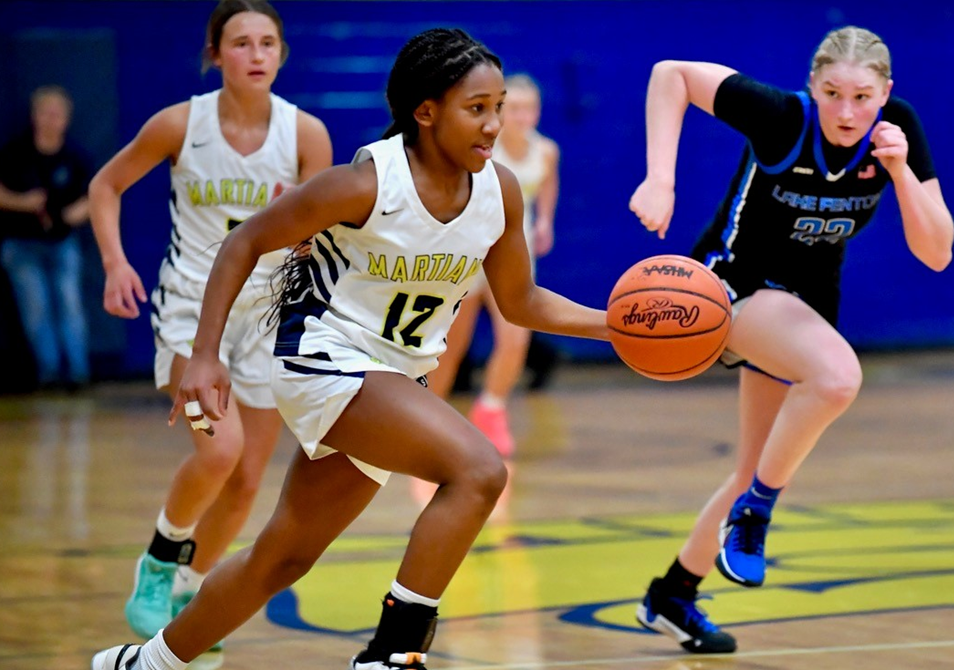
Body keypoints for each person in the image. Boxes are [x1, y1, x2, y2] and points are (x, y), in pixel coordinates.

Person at [91, 27, 608, 670]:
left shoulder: (498, 189)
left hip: (393, 374)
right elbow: (245, 243)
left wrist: (615, 326)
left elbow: (522, 301)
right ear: (426, 112)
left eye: (499, 107)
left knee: (281, 557)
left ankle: (145, 665)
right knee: (478, 470)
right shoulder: (365, 182)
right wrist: (203, 356)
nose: (494, 124)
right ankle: (392, 655)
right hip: (326, 357)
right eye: (478, 108)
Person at [628, 26, 954, 654]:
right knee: (837, 379)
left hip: (805, 305)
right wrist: (660, 179)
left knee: (753, 465)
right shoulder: (782, 117)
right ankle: (756, 515)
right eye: (833, 93)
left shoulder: (898, 129)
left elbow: (936, 252)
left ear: (886, 93)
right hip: (733, 287)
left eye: (863, 96)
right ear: (812, 86)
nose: (848, 111)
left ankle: (672, 593)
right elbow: (671, 72)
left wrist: (901, 170)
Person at [88, 0, 332, 645]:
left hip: (265, 319)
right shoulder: (179, 124)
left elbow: (322, 237)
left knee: (249, 478)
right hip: (190, 316)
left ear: (281, 54)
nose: (255, 54)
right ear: (216, 53)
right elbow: (105, 186)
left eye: (267, 43)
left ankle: (189, 596)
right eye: (241, 43)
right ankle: (157, 562)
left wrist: (303, 231)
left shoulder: (306, 135)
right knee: (219, 451)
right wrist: (115, 263)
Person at [427, 73, 561, 457]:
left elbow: (548, 185)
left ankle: (491, 408)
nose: (522, 116)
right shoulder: (483, 146)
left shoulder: (546, 150)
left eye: (529, 108)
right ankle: (431, 418)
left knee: (516, 339)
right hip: (470, 252)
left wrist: (544, 220)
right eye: (513, 108)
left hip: (514, 253)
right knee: (453, 345)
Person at [0, 85, 92, 391]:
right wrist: (23, 202)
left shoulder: (75, 156)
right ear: (34, 116)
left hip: (62, 242)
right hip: (22, 245)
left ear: (66, 119)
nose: (50, 120)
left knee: (70, 304)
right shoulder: (15, 152)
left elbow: (94, 196)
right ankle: (49, 373)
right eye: (44, 113)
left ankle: (78, 373)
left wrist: (70, 215)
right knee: (35, 308)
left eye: (57, 114)